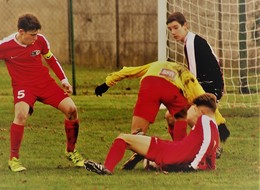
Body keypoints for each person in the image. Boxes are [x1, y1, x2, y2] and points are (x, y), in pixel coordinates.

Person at [0, 13, 85, 172]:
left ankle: (71, 151)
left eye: (37, 34)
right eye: (32, 35)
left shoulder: (40, 40)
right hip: (23, 86)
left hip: (45, 83)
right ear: (21, 32)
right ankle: (14, 159)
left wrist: (64, 80)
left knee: (72, 110)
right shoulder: (6, 45)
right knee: (21, 115)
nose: (35, 38)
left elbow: (50, 58)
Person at [95, 61, 224, 169]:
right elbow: (202, 96)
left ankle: (139, 145)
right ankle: (180, 153)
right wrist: (219, 121)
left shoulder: (155, 65)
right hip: (172, 90)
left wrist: (106, 84)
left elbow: (128, 71)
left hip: (150, 85)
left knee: (135, 134)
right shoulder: (183, 71)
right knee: (180, 117)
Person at [84, 93, 220, 175]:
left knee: (123, 138)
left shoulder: (204, 119)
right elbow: (211, 150)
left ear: (199, 110)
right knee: (144, 148)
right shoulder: (214, 129)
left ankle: (107, 168)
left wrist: (194, 166)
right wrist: (210, 166)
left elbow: (206, 142)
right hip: (174, 154)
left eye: (194, 109)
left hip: (170, 151)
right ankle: (147, 159)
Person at [166, 12, 230, 143]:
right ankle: (180, 149)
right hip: (206, 85)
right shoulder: (192, 41)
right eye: (170, 29)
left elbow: (193, 77)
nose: (173, 32)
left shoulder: (191, 43)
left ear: (185, 26)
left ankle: (210, 147)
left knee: (189, 117)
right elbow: (216, 60)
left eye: (176, 27)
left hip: (209, 88)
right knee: (170, 116)